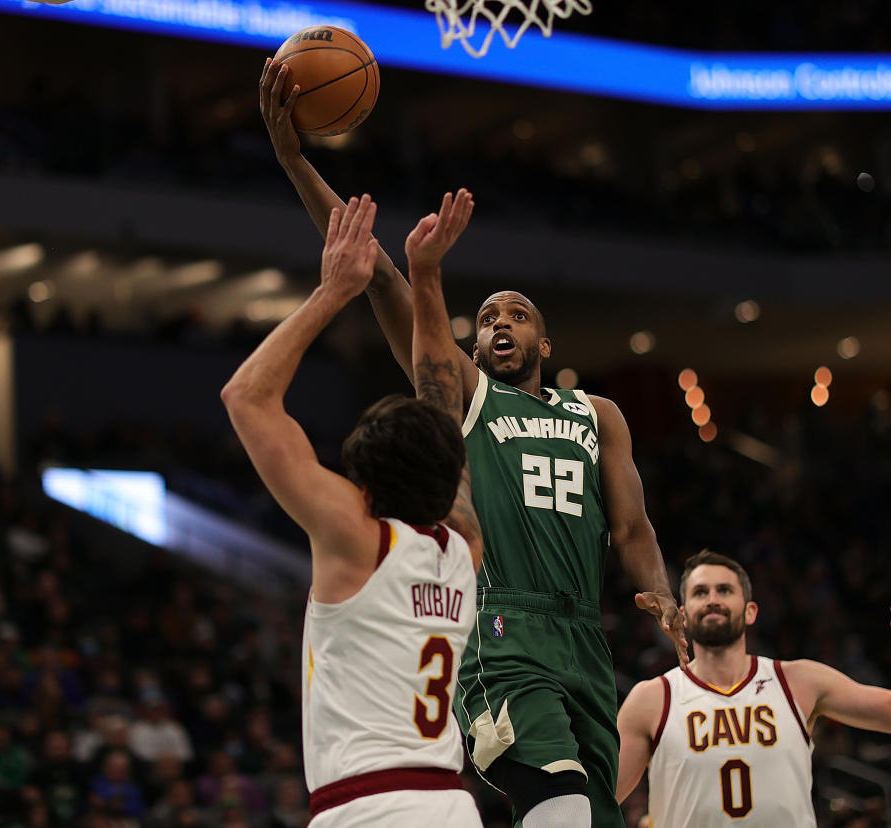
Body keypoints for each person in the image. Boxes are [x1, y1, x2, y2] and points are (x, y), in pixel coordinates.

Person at [259, 59, 688, 828]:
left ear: (545, 341)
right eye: (486, 315)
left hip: (582, 634)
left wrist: (664, 595)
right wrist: (296, 161)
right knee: (555, 801)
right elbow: (386, 281)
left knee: (594, 814)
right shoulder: (466, 393)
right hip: (499, 626)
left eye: (515, 314)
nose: (497, 324)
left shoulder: (600, 414)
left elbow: (631, 528)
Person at [220, 191, 483, 826]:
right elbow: (443, 407)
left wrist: (335, 291)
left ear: (361, 486)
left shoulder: (356, 537)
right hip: (450, 805)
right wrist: (425, 276)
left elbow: (247, 397)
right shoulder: (466, 547)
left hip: (368, 808)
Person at [616, 551, 891, 827]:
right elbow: (600, 797)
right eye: (701, 592)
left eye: (725, 590)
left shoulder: (800, 681)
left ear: (751, 611)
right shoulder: (652, 699)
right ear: (683, 614)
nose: (713, 599)